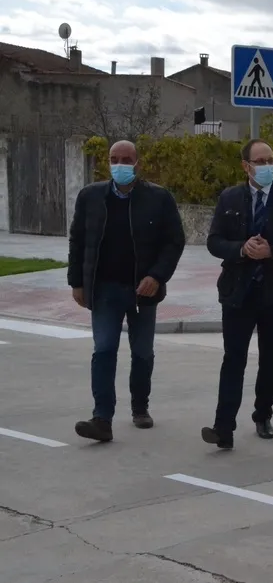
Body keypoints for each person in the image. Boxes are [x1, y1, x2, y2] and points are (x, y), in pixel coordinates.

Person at [67, 140, 185, 442]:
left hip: (142, 291)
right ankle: (102, 418)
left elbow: (174, 242)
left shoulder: (158, 198)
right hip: (104, 289)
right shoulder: (91, 196)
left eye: (126, 159)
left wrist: (157, 276)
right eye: (114, 159)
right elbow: (78, 240)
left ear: (138, 163)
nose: (120, 164)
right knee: (104, 349)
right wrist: (76, 282)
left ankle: (140, 407)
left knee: (142, 352)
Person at [200, 138, 273, 450]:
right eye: (260, 161)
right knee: (233, 358)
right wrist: (241, 249)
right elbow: (213, 241)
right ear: (246, 166)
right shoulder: (230, 198)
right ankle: (223, 426)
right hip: (238, 290)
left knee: (270, 359)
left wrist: (271, 252)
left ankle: (263, 415)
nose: (266, 166)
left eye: (271, 160)